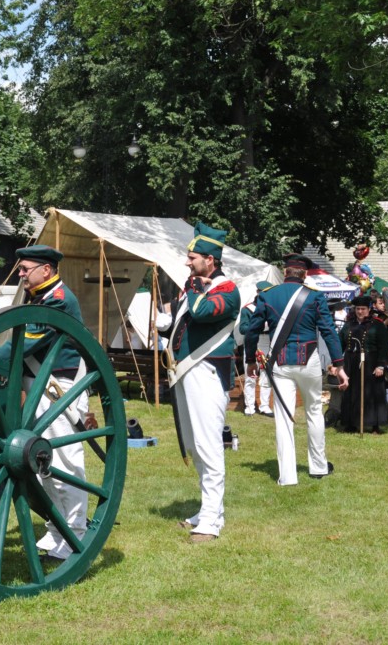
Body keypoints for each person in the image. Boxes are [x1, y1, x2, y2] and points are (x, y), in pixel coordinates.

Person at [0, 246, 86, 561]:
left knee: (64, 464)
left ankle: (75, 533)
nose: (20, 274)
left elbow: (27, 342)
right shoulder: (39, 298)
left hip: (57, 388)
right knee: (42, 463)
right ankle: (57, 530)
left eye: (25, 269)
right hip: (37, 387)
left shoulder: (58, 299)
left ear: (46, 270)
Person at [165, 224, 241, 543]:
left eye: (192, 258)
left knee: (208, 447)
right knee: (195, 445)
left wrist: (195, 286)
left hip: (208, 372)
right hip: (188, 371)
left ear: (210, 260)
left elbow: (200, 312)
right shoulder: (196, 286)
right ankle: (208, 509)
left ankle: (211, 520)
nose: (187, 263)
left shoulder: (228, 289)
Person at [245, 254, 349, 486]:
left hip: (280, 362)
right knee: (314, 411)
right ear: (305, 274)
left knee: (283, 418)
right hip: (309, 360)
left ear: (285, 272)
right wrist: (339, 365)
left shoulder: (268, 295)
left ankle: (287, 476)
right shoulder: (315, 296)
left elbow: (252, 330)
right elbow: (329, 331)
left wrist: (251, 360)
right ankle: (319, 466)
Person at [338, 295, 388, 433]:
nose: (360, 312)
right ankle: (351, 423)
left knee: (373, 392)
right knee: (352, 391)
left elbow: (383, 346)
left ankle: (375, 425)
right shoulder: (349, 324)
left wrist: (380, 365)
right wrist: (336, 363)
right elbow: (340, 343)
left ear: (369, 309)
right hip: (351, 361)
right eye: (358, 309)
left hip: (371, 362)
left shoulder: (378, 325)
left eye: (363, 309)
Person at [237, 281, 274, 416]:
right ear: (258, 292)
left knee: (266, 375)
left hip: (267, 341)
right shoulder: (248, 309)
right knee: (250, 376)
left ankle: (265, 406)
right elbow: (242, 329)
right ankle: (250, 406)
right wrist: (257, 326)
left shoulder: (272, 308)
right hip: (253, 341)